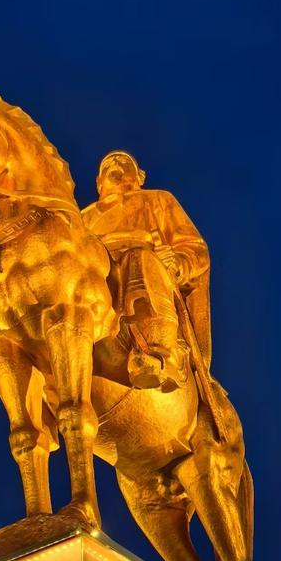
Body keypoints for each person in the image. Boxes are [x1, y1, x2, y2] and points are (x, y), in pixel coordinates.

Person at [81, 150, 211, 392]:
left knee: (138, 258)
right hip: (99, 281)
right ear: (98, 183)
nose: (115, 163)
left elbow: (194, 247)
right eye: (107, 165)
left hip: (146, 273)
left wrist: (179, 263)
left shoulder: (158, 200)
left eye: (124, 162)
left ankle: (161, 352)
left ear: (139, 177)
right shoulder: (82, 219)